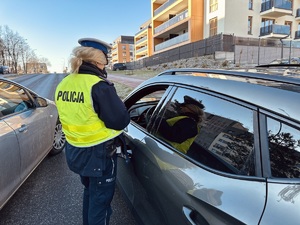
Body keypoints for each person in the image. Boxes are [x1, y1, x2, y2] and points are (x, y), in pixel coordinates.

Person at [55, 38, 130, 225]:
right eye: (105, 59)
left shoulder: (65, 83)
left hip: (75, 150)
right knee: (101, 203)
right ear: (98, 61)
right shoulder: (99, 86)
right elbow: (120, 120)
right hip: (99, 154)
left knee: (89, 193)